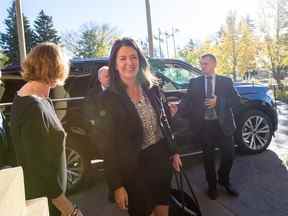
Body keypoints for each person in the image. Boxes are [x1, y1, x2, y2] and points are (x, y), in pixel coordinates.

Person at [93, 38, 182, 216]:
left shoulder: (153, 87)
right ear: (115, 65)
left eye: (133, 57)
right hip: (133, 169)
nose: (129, 63)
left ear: (140, 60)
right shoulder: (107, 99)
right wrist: (116, 185)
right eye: (123, 58)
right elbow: (107, 147)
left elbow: (165, 122)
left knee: (163, 211)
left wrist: (174, 151)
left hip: (160, 161)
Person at [10, 42, 83, 216]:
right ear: (55, 68)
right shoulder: (33, 107)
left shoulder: (38, 99)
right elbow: (39, 167)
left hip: (49, 198)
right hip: (46, 201)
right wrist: (68, 209)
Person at [174, 54, 240, 200]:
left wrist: (220, 102)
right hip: (204, 126)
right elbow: (187, 100)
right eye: (201, 64)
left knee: (229, 155)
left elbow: (236, 101)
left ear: (214, 64)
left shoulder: (226, 81)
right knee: (208, 158)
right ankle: (212, 186)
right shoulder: (195, 82)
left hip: (223, 125)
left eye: (206, 64)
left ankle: (223, 179)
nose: (203, 67)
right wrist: (178, 108)